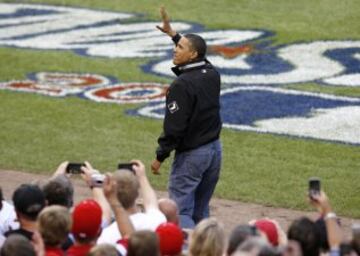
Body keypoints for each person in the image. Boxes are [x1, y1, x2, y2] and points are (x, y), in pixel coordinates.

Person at [151, 6, 222, 229]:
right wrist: (173, 35)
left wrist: (160, 157)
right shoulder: (211, 73)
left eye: (180, 47)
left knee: (180, 212)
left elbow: (174, 128)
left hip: (192, 156)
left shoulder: (182, 84)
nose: (175, 50)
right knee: (201, 211)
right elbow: (200, 57)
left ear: (192, 55)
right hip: (214, 152)